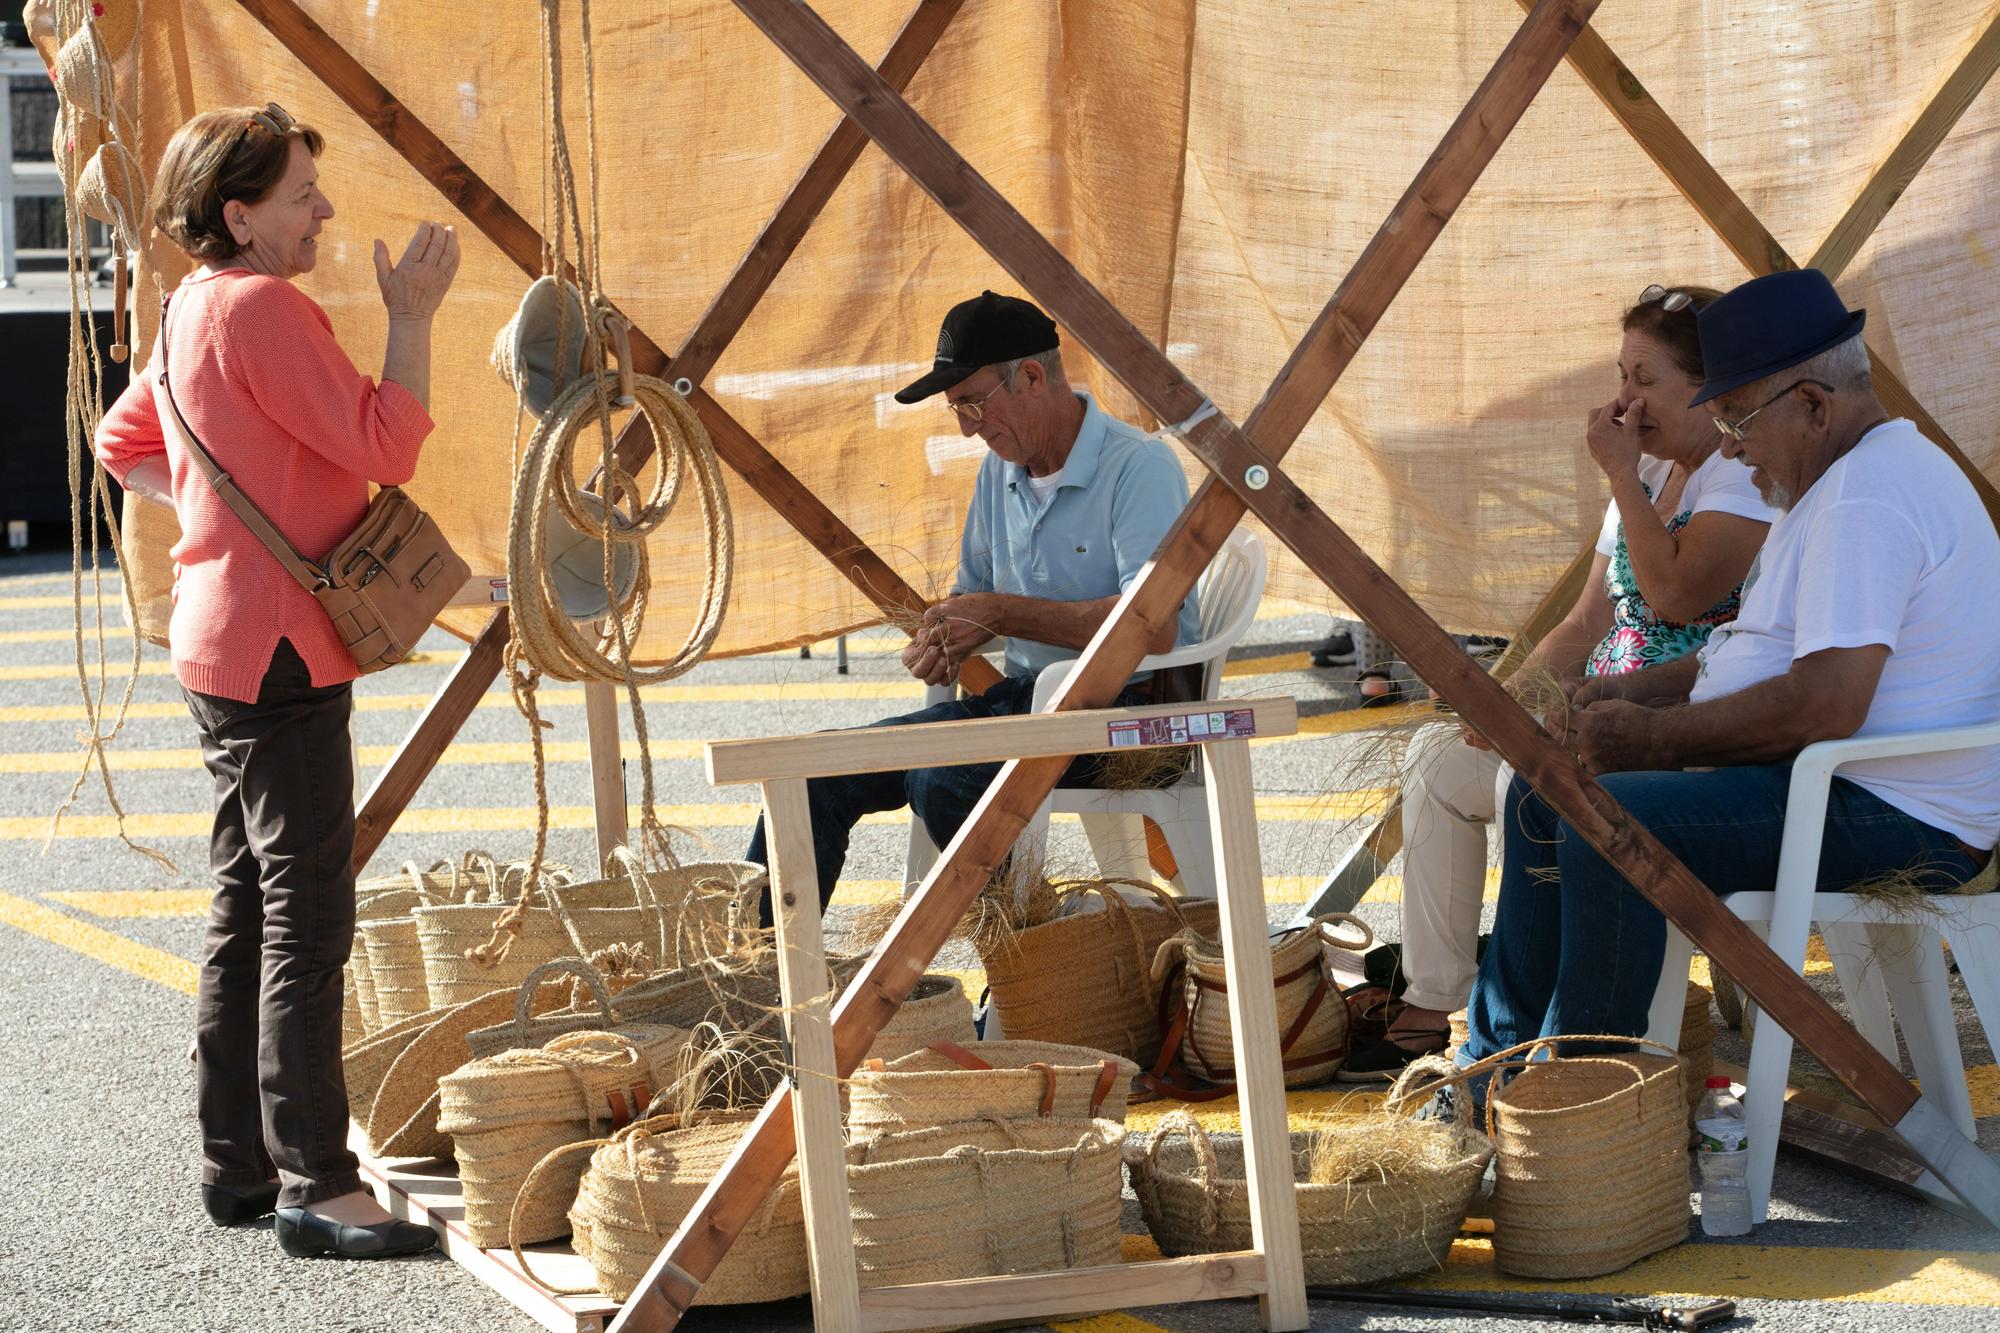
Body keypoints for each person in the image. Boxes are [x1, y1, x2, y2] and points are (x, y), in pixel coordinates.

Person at [1457, 267, 2000, 1088]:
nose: (1731, 446)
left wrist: (1656, 739)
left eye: (1739, 419)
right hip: (1842, 786)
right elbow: (1749, 655)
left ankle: (1581, 1097)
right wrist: (1629, 693)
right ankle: (1487, 1069)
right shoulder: (1828, 485)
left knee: (1610, 818)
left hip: (1896, 813)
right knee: (1539, 794)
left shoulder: (1867, 497)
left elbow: (1824, 703)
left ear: (1814, 405)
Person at [94, 103, 460, 1258]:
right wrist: (410, 321)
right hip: (284, 648)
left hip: (218, 641)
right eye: (304, 196)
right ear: (240, 215)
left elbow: (124, 443)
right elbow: (388, 442)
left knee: (246, 902)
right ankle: (314, 1179)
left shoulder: (186, 307)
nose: (326, 212)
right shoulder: (262, 306)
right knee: (308, 912)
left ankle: (239, 1166)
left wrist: (217, 524)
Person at [1341, 284, 1779, 1082]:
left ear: (1708, 386)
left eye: (1645, 380)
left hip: (1679, 738)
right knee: (1441, 759)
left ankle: (1535, 1025)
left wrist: (1618, 477)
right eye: (1622, 375)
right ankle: (1437, 1000)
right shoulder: (1650, 470)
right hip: (1595, 721)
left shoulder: (1745, 475)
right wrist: (1502, 703)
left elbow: (1674, 593)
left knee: (1528, 781)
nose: (1624, 401)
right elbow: (1586, 622)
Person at [745, 291, 1200, 910]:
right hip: (1029, 709)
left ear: (1033, 377)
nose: (965, 427)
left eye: (972, 403)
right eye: (955, 409)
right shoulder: (1000, 469)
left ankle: (1041, 967)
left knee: (947, 782)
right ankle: (759, 984)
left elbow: (1156, 629)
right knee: (811, 773)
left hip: (1136, 721)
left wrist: (1004, 613)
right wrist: (952, 634)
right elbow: (976, 595)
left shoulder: (1138, 466)